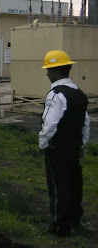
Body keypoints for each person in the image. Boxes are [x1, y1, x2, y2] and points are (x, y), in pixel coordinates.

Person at [39, 50, 90, 236]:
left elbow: (50, 123)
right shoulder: (79, 93)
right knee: (74, 183)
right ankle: (75, 219)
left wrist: (43, 143)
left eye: (48, 70)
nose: (46, 74)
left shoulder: (56, 94)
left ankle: (59, 225)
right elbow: (85, 123)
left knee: (58, 186)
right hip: (74, 148)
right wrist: (82, 144)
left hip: (57, 148)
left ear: (56, 71)